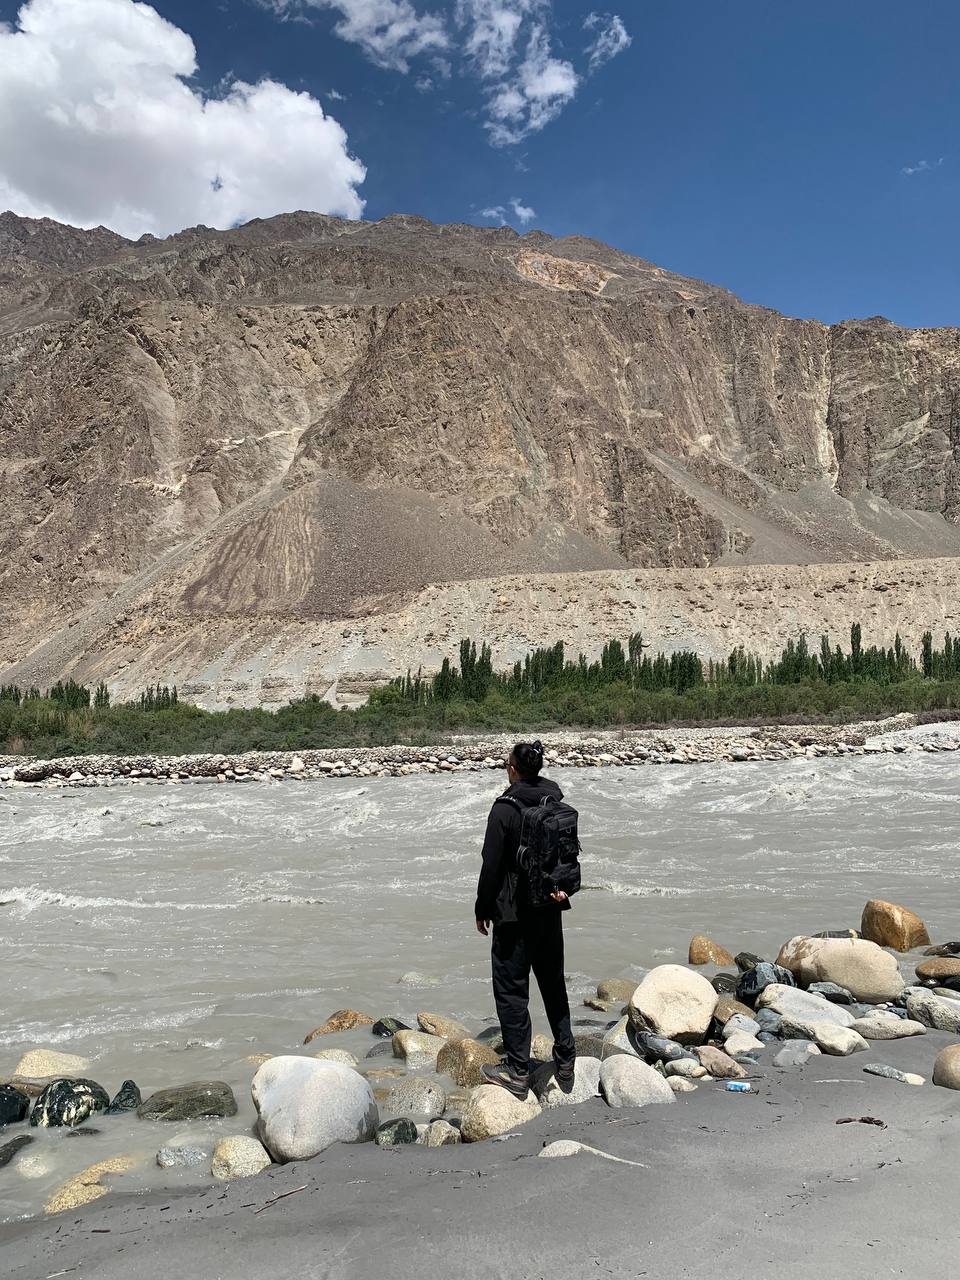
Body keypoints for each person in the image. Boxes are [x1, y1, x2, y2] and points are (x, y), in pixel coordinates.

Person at [475, 740, 576, 1096]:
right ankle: (566, 1057)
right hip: (549, 909)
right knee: (553, 985)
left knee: (512, 992)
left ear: (513, 769)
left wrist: (481, 908)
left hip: (513, 915)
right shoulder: (554, 801)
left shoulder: (504, 809)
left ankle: (517, 1072)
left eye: (507, 763)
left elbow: (491, 866)